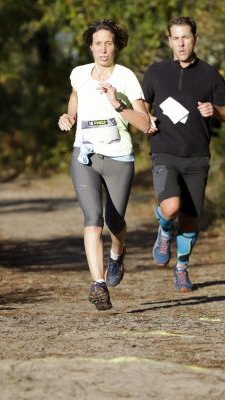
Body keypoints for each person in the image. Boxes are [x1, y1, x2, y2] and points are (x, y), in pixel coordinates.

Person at [58, 19, 150, 310]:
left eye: (109, 43)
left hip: (119, 158)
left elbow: (146, 124)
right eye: (98, 43)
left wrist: (118, 105)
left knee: (114, 222)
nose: (103, 49)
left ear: (117, 45)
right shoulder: (79, 74)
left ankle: (118, 253)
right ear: (90, 46)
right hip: (84, 156)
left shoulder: (126, 78)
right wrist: (69, 117)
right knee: (93, 219)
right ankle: (98, 285)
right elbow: (74, 98)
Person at [142, 16, 225, 292]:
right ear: (169, 40)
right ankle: (163, 229)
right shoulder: (156, 72)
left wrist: (215, 110)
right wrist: (145, 116)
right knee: (171, 207)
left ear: (196, 39)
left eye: (186, 37)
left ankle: (181, 267)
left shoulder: (209, 74)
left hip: (197, 157)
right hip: (165, 152)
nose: (181, 43)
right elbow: (141, 106)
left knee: (190, 219)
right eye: (176, 37)